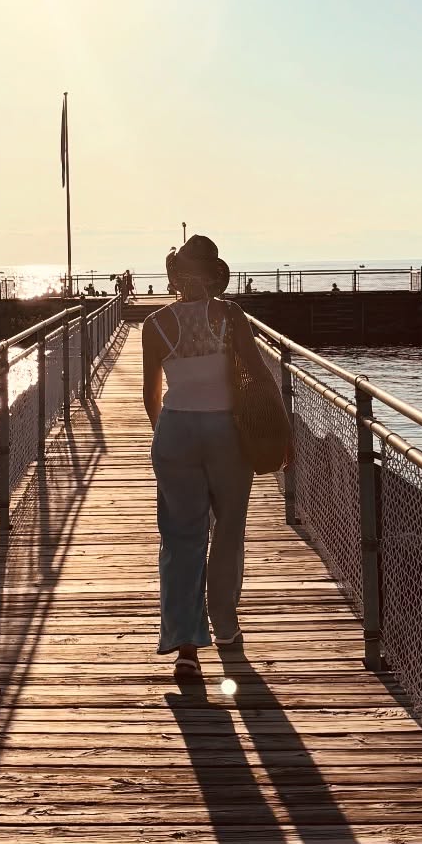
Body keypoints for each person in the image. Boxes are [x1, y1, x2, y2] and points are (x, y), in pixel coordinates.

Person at [142, 234, 287, 679]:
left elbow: (151, 394)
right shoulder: (230, 315)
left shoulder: (155, 324)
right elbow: (261, 377)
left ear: (176, 277)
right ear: (212, 276)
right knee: (228, 531)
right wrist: (282, 433)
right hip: (226, 431)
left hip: (175, 431)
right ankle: (224, 625)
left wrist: (165, 434)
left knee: (182, 536)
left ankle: (186, 644)